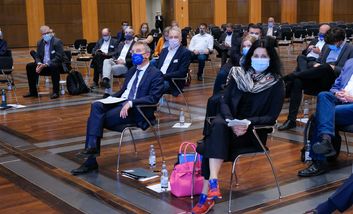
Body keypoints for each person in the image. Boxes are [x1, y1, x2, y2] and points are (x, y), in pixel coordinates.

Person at [191, 38, 285, 214]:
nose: (259, 58)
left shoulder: (276, 83)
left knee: (207, 144)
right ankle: (212, 184)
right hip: (229, 126)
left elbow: (271, 116)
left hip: (253, 133)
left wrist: (247, 124)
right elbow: (224, 101)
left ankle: (207, 197)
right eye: (256, 55)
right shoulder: (237, 74)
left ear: (271, 59)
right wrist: (230, 121)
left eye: (263, 56)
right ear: (250, 57)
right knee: (218, 126)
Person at [71, 41, 164, 175]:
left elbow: (153, 98)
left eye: (137, 51)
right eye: (132, 52)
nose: (133, 54)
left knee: (95, 119)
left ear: (147, 55)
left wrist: (132, 103)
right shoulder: (132, 70)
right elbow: (123, 91)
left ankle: (90, 160)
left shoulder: (155, 74)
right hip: (120, 103)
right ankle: (91, 150)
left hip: (137, 110)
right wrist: (109, 99)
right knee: (96, 105)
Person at [279, 27, 353, 131]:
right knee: (298, 81)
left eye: (333, 43)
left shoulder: (349, 49)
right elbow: (317, 61)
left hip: (332, 81)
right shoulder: (327, 47)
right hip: (319, 76)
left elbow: (348, 72)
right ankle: (291, 120)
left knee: (326, 67)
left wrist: (333, 68)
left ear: (340, 41)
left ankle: (290, 76)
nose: (331, 46)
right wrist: (315, 64)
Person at [298, 58, 353, 177]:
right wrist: (336, 93)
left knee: (319, 115)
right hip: (340, 102)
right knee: (324, 95)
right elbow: (335, 86)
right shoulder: (350, 62)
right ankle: (326, 142)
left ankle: (320, 158)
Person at [23, 25, 69, 99]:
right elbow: (37, 56)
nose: (46, 35)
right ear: (41, 34)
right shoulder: (39, 43)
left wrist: (46, 64)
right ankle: (33, 92)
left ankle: (55, 92)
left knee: (54, 66)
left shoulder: (57, 42)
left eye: (48, 33)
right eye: (44, 33)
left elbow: (58, 57)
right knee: (30, 66)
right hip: (43, 65)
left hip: (56, 65)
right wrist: (39, 63)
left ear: (50, 32)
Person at [156, 27, 191, 96]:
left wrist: (163, 76)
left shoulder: (185, 52)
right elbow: (158, 67)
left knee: (152, 87)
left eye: (176, 37)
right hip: (158, 78)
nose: (173, 39)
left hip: (172, 81)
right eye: (171, 37)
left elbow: (182, 72)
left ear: (180, 39)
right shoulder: (164, 51)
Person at [101, 27, 135, 97]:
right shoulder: (121, 44)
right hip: (116, 62)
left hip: (125, 66)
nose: (127, 34)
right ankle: (105, 79)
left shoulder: (135, 45)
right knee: (106, 61)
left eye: (129, 33)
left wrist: (124, 61)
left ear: (133, 34)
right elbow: (116, 54)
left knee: (108, 69)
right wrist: (114, 59)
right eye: (126, 32)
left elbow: (134, 59)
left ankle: (107, 92)